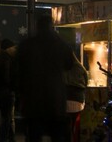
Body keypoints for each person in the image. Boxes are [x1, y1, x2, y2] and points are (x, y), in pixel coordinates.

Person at [15, 14, 77, 142]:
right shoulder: (60, 44)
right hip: (55, 100)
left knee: (34, 135)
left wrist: (20, 94)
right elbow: (69, 64)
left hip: (33, 101)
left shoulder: (27, 45)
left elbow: (18, 71)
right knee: (57, 135)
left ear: (37, 26)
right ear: (51, 26)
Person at [0, 39, 17, 142]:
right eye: (13, 47)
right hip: (6, 92)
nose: (14, 49)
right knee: (7, 118)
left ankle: (11, 138)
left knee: (7, 117)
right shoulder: (7, 59)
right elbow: (7, 77)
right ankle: (4, 139)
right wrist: (12, 87)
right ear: (8, 48)